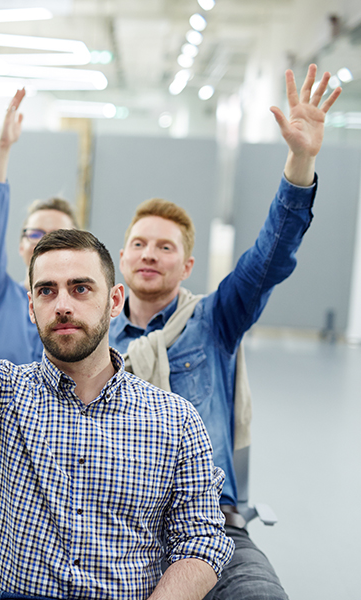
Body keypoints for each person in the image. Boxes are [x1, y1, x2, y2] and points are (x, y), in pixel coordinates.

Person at [0, 94, 233, 600]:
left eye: (80, 288)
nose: (62, 303)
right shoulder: (2, 397)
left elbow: (201, 541)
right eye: (46, 290)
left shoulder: (175, 420)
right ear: (30, 306)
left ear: (114, 301)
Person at [109, 64, 340, 600]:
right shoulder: (94, 342)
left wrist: (300, 161)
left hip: (213, 528)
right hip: (118, 529)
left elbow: (269, 257)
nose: (149, 253)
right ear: (121, 258)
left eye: (165, 247)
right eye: (140, 243)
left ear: (187, 266)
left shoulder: (215, 321)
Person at [0, 88, 78, 365]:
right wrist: (3, 147)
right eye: (36, 234)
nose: (45, 244)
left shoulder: (85, 307)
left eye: (59, 237)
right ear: (21, 245)